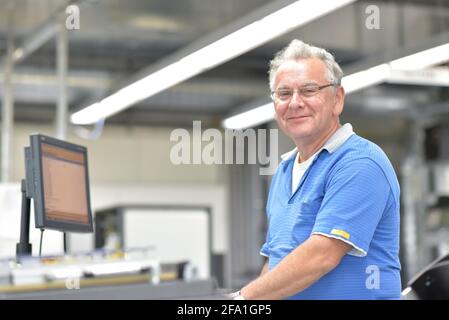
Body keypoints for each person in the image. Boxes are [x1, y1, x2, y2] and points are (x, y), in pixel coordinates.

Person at [232, 40, 401, 300]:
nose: (295, 102)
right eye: (284, 93)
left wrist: (242, 300)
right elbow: (276, 261)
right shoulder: (284, 172)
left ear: (337, 99)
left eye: (309, 90)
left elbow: (322, 255)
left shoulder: (360, 163)